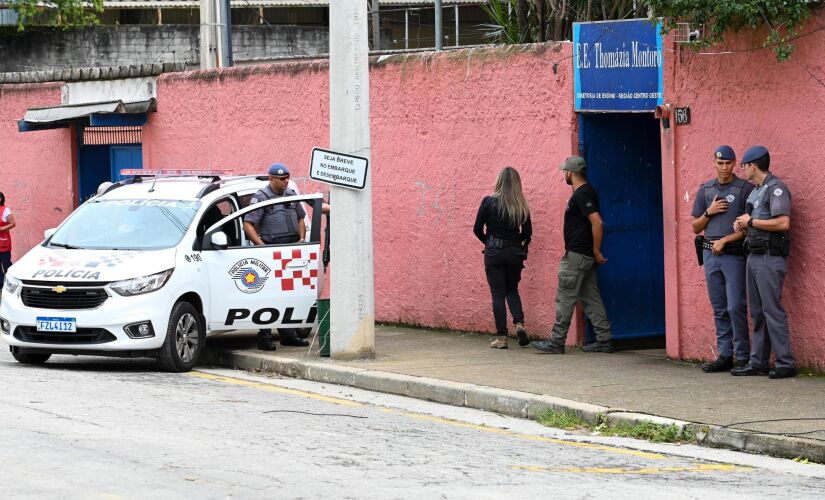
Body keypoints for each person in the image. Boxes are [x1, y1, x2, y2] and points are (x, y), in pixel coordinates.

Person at [532, 156, 612, 354]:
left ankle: (556, 341)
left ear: (570, 173)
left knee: (565, 297)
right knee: (590, 297)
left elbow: (597, 222)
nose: (564, 175)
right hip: (585, 256)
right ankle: (604, 339)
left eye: (564, 172)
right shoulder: (588, 191)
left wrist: (596, 251)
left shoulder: (582, 195)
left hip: (577, 255)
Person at [732, 146, 796, 379]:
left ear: (754, 166)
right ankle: (758, 361)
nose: (743, 170)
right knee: (757, 312)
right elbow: (751, 222)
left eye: (744, 165)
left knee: (771, 310)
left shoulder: (776, 189)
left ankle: (785, 362)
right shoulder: (755, 192)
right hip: (753, 255)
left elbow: (782, 224)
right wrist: (742, 224)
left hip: (770, 256)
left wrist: (752, 222)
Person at [691, 146, 754, 372]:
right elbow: (694, 226)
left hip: (733, 254)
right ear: (714, 163)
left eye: (728, 163)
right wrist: (709, 212)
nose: (724, 168)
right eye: (720, 163)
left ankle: (744, 356)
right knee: (719, 307)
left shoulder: (744, 188)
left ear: (735, 163)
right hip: (710, 254)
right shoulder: (706, 190)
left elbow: (749, 227)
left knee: (736, 305)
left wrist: (726, 240)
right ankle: (725, 354)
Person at [243, 163, 309, 350]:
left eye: (287, 177)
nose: (286, 181)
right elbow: (248, 225)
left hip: (291, 250)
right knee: (269, 295)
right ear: (271, 178)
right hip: (272, 251)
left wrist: (302, 239)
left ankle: (289, 334)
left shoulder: (290, 195)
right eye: (281, 179)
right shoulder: (261, 198)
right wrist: (262, 247)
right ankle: (264, 336)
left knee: (290, 293)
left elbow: (301, 218)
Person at [473, 167, 532, 349]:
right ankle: (520, 324)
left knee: (498, 293)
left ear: (499, 181)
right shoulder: (521, 204)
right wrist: (514, 241)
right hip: (515, 253)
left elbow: (477, 229)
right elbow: (528, 233)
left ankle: (502, 338)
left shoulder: (488, 202)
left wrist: (489, 242)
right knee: (512, 289)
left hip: (494, 251)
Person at [0, 192, 15, 286]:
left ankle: (12, 284)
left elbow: (13, 223)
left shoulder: (5, 210)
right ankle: (2, 285)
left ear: (1, 199)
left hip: (3, 243)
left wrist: (2, 228)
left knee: (6, 264)